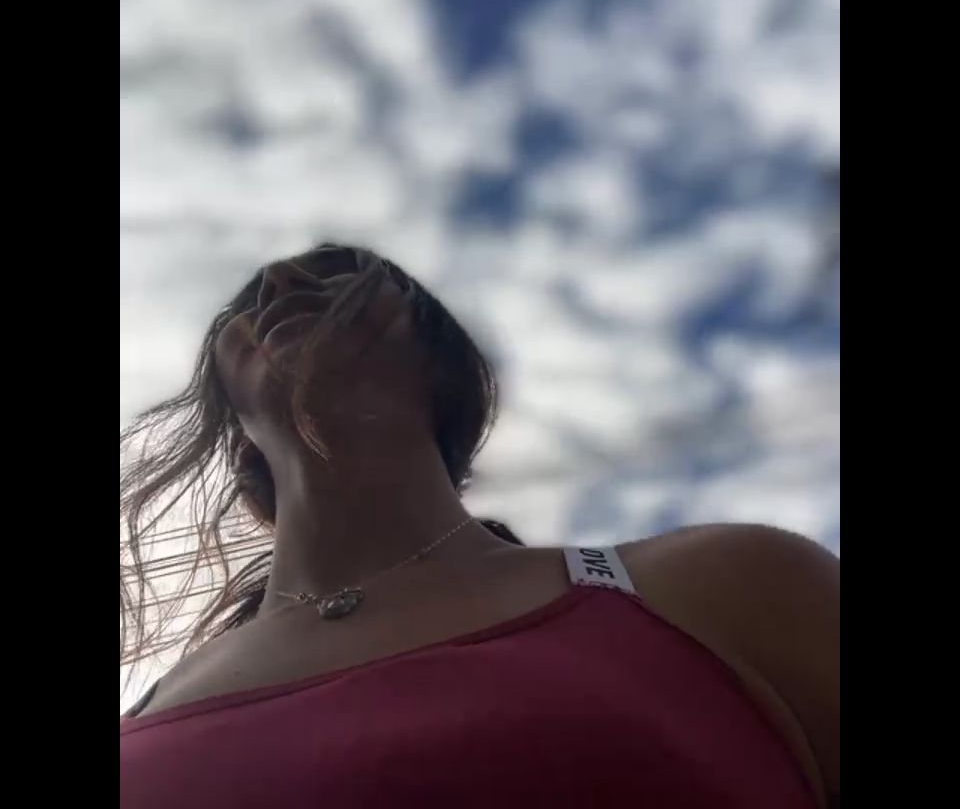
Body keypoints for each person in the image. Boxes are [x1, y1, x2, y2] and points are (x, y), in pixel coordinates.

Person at [120, 243, 839, 808]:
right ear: (241, 443)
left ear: (447, 370)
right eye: (256, 301)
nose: (281, 280)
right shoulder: (143, 714)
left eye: (341, 274)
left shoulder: (719, 586)